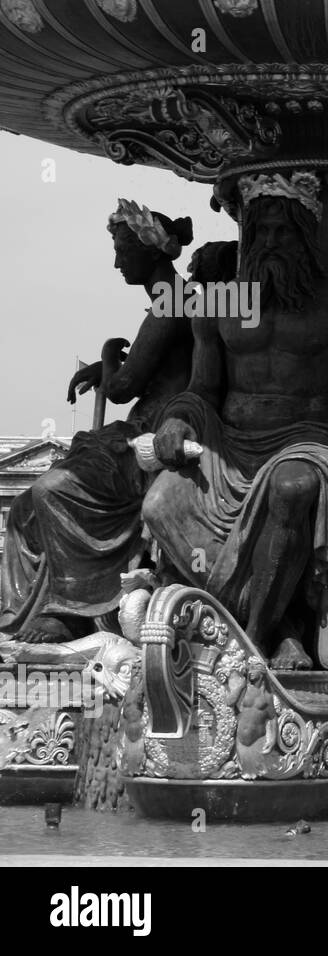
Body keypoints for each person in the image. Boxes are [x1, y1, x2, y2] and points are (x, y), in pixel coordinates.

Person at [143, 172, 328, 667]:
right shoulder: (217, 307)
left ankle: (251, 641)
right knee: (160, 503)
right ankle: (280, 625)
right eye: (260, 233)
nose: (270, 243)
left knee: (291, 490)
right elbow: (201, 390)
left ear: (305, 237)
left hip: (305, 441)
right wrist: (178, 420)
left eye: (282, 232)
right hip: (229, 446)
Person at [0, 203, 206, 642]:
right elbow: (151, 370)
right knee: (21, 510)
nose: (116, 263)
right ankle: (18, 612)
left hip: (153, 439)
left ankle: (70, 611)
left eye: (121, 250)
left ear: (150, 252)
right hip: (142, 430)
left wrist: (110, 355)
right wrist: (107, 365)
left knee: (49, 490)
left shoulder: (172, 301)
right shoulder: (171, 299)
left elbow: (122, 388)